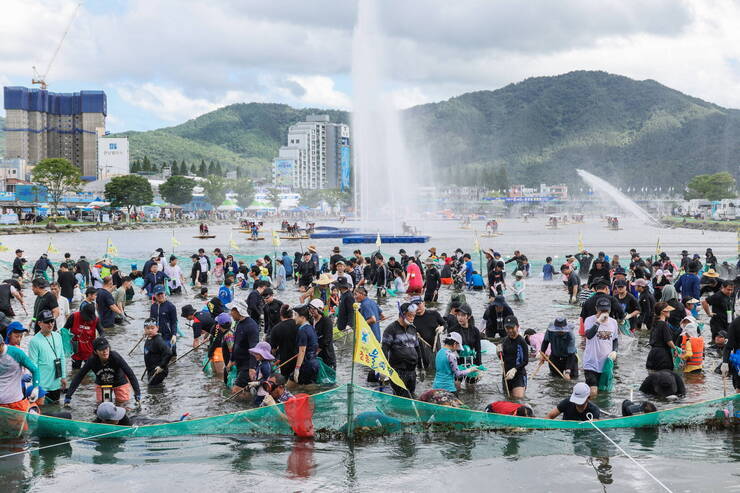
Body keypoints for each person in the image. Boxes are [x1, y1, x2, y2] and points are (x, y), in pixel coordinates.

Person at [65, 337, 141, 407]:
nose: (105, 352)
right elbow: (79, 376)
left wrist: (137, 393)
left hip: (120, 382)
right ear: (95, 351)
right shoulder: (92, 360)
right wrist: (68, 396)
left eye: (106, 348)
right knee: (103, 406)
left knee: (123, 405)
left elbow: (130, 374)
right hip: (102, 384)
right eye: (101, 350)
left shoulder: (115, 357)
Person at [381, 302, 421, 397]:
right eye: (409, 316)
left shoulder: (413, 329)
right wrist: (383, 370)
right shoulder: (391, 329)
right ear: (402, 314)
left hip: (412, 371)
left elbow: (417, 348)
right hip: (398, 371)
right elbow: (384, 349)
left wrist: (421, 368)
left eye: (413, 316)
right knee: (400, 397)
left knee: (411, 396)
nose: (412, 318)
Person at [27, 310, 66, 404]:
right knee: (43, 411)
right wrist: (36, 386)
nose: (50, 324)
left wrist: (63, 377)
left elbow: (62, 357)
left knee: (56, 408)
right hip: (42, 385)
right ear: (40, 323)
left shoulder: (57, 336)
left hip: (56, 382)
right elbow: (33, 365)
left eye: (52, 321)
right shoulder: (34, 341)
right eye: (47, 322)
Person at [583, 297, 619, 397]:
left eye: (606, 311)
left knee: (604, 392)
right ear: (596, 309)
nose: (604, 313)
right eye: (601, 311)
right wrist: (598, 321)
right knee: (593, 391)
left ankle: (600, 411)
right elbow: (589, 335)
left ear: (610, 310)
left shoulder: (613, 322)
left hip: (606, 364)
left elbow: (615, 339)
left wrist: (615, 351)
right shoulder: (589, 320)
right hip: (591, 363)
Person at [0, 331, 40, 413]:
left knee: (27, 423)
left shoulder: (16, 353)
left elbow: (35, 370)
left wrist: (36, 388)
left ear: (2, 343)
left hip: (16, 402)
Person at [228, 302, 260, 392]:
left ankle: (246, 405)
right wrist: (231, 360)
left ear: (238, 311)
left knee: (236, 390)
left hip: (247, 364)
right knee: (244, 391)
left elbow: (254, 348)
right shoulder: (239, 324)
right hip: (239, 363)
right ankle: (248, 405)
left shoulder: (251, 326)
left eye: (232, 311)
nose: (230, 313)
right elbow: (235, 343)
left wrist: (252, 368)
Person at [63, 302, 102, 369]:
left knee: (91, 370)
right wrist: (67, 344)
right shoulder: (74, 316)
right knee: (75, 371)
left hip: (89, 349)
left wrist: (100, 341)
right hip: (76, 350)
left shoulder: (96, 320)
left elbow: (102, 332)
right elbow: (64, 330)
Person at [412, 298, 447, 369]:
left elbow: (445, 323)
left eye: (419, 304)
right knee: (425, 367)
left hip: (435, 344)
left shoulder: (434, 314)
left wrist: (442, 328)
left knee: (438, 365)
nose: (417, 307)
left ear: (424, 303)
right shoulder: (412, 318)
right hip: (422, 347)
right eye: (414, 306)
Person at [500, 316, 528, 398]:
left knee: (518, 399)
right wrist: (499, 353)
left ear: (517, 327)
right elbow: (503, 358)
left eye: (512, 328)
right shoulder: (505, 341)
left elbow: (525, 361)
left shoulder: (522, 342)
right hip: (506, 374)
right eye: (507, 328)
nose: (510, 330)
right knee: (508, 399)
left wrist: (515, 369)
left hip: (518, 374)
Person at [646, 302, 678, 372]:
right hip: (662, 356)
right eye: (668, 310)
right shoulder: (664, 325)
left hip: (652, 354)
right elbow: (669, 341)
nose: (669, 312)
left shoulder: (655, 323)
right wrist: (675, 348)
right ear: (663, 312)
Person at [292, 304, 319, 385]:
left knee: (305, 388)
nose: (294, 317)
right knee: (309, 387)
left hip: (306, 365)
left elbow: (302, 351)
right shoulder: (310, 327)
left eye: (296, 315)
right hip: (314, 363)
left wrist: (297, 368)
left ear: (303, 317)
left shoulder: (303, 330)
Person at [269, 304, 298, 378]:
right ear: (292, 315)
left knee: (286, 380)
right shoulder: (299, 324)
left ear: (281, 315)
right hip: (299, 358)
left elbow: (273, 349)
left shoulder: (276, 329)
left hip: (285, 360)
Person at [141, 318, 173, 386]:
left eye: (152, 328)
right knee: (155, 389)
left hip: (158, 371)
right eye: (147, 328)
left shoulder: (158, 340)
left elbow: (169, 353)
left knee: (153, 389)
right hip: (151, 369)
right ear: (144, 329)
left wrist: (161, 366)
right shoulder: (149, 337)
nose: (150, 330)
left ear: (157, 328)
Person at [150, 285, 179, 354]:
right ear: (155, 295)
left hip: (168, 337)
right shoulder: (153, 307)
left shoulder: (171, 307)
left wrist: (174, 335)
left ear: (165, 293)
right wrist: (148, 331)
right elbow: (151, 321)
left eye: (161, 294)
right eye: (158, 294)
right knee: (159, 357)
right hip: (157, 336)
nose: (160, 296)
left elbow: (174, 322)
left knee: (172, 357)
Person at [204, 312, 233, 376]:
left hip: (217, 352)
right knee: (218, 375)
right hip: (216, 352)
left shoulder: (228, 335)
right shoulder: (227, 333)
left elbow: (231, 351)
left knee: (219, 375)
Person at [721, 316, 740, 392]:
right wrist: (725, 362)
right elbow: (728, 346)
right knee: (738, 387)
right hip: (738, 360)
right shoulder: (735, 324)